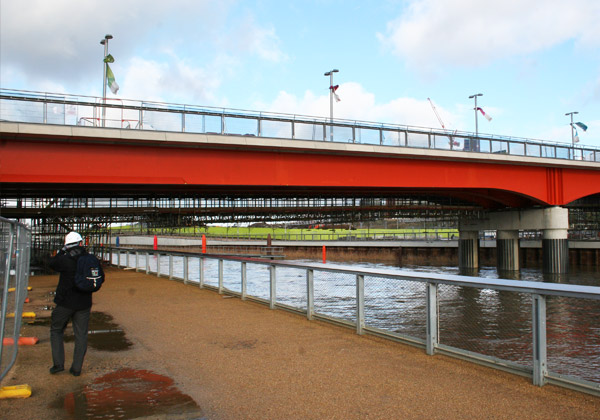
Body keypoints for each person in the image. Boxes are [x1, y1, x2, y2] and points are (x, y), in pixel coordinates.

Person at [48, 231, 92, 376]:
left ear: (67, 245)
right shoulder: (89, 259)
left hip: (65, 303)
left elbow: (51, 263)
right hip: (84, 302)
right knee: (81, 335)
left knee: (56, 329)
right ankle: (76, 368)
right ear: (81, 243)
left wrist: (62, 250)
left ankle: (58, 364)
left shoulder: (64, 259)